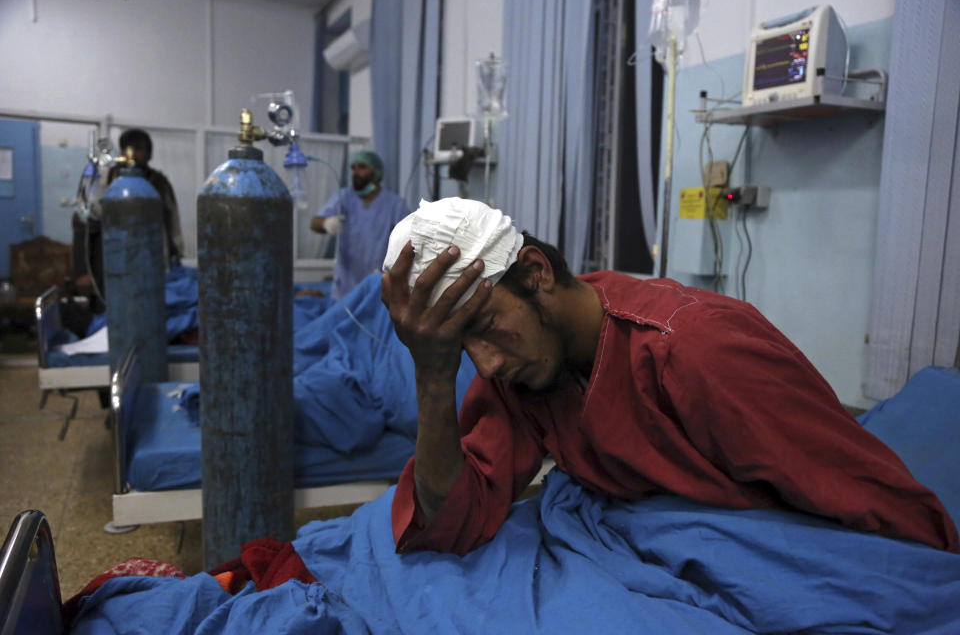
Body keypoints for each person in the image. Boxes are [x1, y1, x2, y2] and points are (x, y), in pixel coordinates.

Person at [381, 197, 960, 557]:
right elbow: (455, 515)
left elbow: (862, 492)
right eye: (462, 349)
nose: (487, 365)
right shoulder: (524, 362)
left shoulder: (698, 351)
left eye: (485, 327)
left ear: (535, 273)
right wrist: (433, 375)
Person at [73, 128, 184, 310]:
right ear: (122, 151)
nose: (135, 154)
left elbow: (173, 222)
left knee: (146, 310)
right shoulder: (105, 178)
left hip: (150, 262)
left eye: (141, 149)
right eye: (130, 148)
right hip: (110, 261)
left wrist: (175, 255)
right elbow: (83, 221)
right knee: (111, 311)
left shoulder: (159, 183)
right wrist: (82, 271)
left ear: (149, 155)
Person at [310, 150, 410, 299]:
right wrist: (325, 223)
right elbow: (314, 223)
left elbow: (409, 238)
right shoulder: (344, 197)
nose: (355, 172)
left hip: (378, 282)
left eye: (362, 167)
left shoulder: (394, 204)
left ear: (376, 172)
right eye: (353, 168)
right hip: (345, 285)